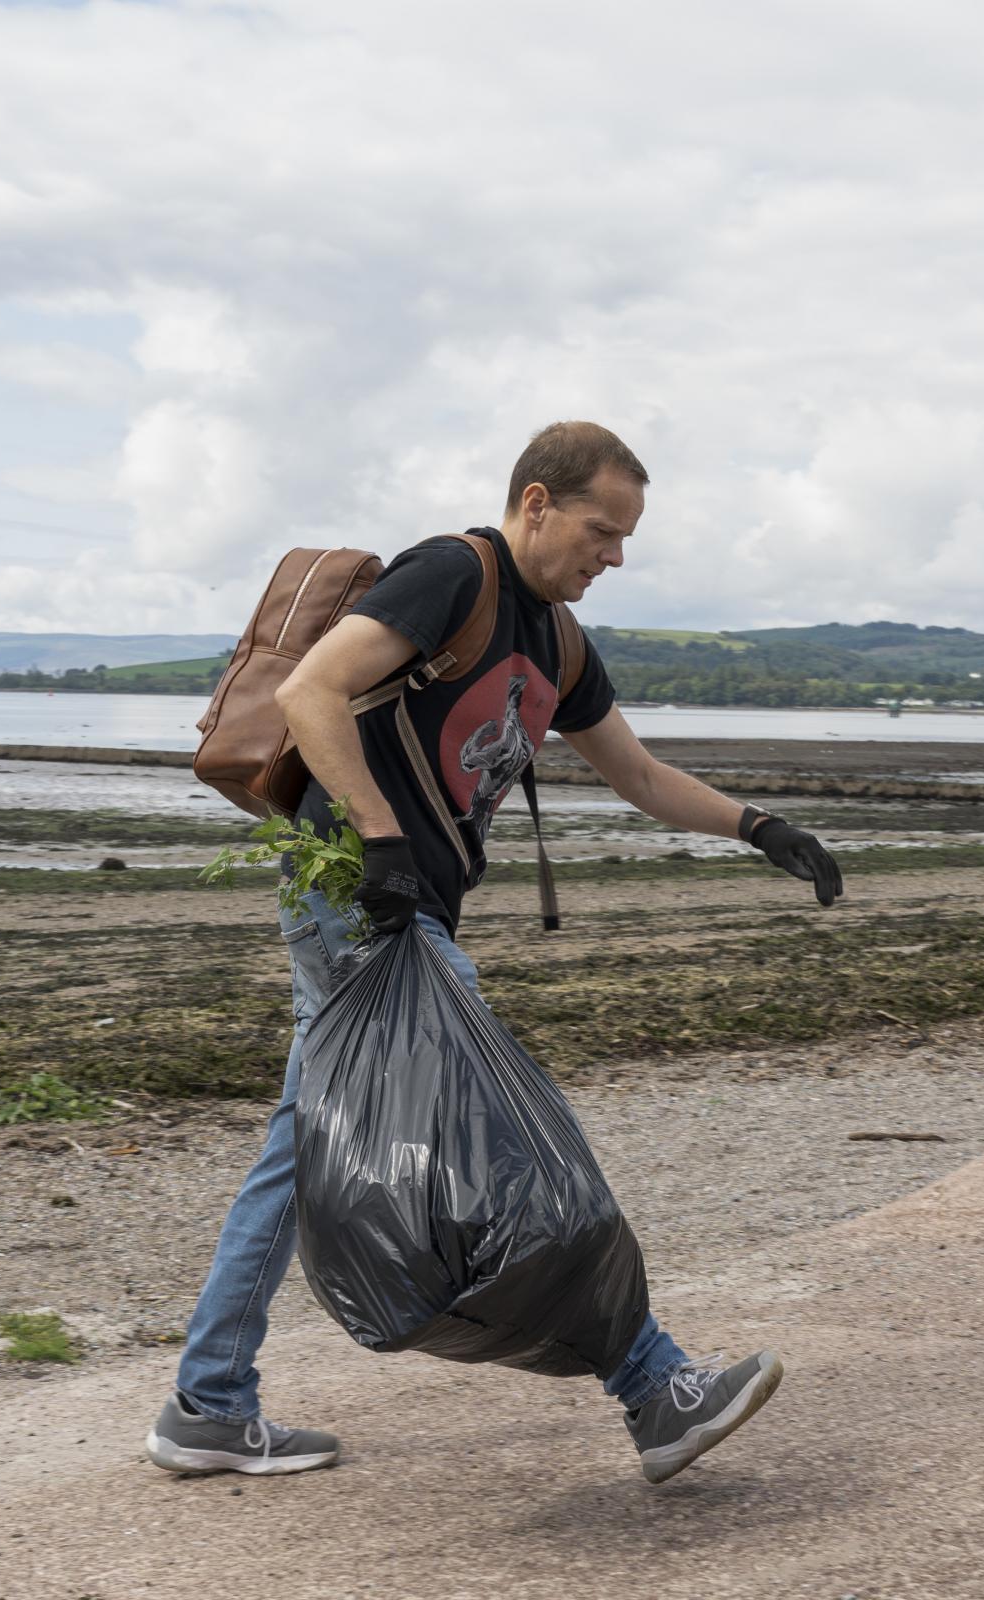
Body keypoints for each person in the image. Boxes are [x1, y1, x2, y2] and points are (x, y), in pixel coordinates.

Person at [146, 421, 845, 1485]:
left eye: (623, 539)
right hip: (362, 902)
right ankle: (653, 1383)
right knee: (512, 1134)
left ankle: (207, 1402)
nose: (613, 556)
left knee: (304, 1146)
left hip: (399, 907)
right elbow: (311, 692)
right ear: (535, 503)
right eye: (601, 531)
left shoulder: (559, 640)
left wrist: (761, 828)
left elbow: (641, 778)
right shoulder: (451, 575)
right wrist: (381, 839)